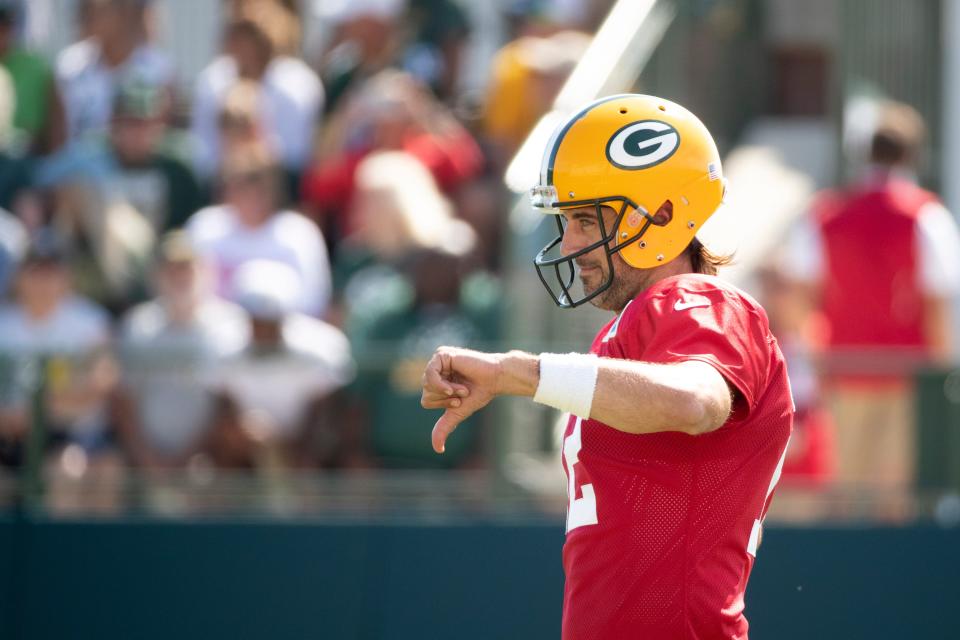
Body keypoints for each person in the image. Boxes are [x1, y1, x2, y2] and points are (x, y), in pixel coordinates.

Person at [420, 95, 794, 639]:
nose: (570, 243)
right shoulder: (634, 327)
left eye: (584, 219)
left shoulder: (698, 301)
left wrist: (515, 374)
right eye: (565, 220)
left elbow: (695, 401)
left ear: (663, 213)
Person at [783, 100, 960, 496]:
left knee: (847, 489)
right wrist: (943, 375)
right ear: (913, 154)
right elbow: (935, 304)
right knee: (900, 494)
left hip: (844, 369)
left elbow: (799, 300)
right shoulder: (926, 217)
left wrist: (816, 357)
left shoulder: (826, 215)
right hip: (909, 376)